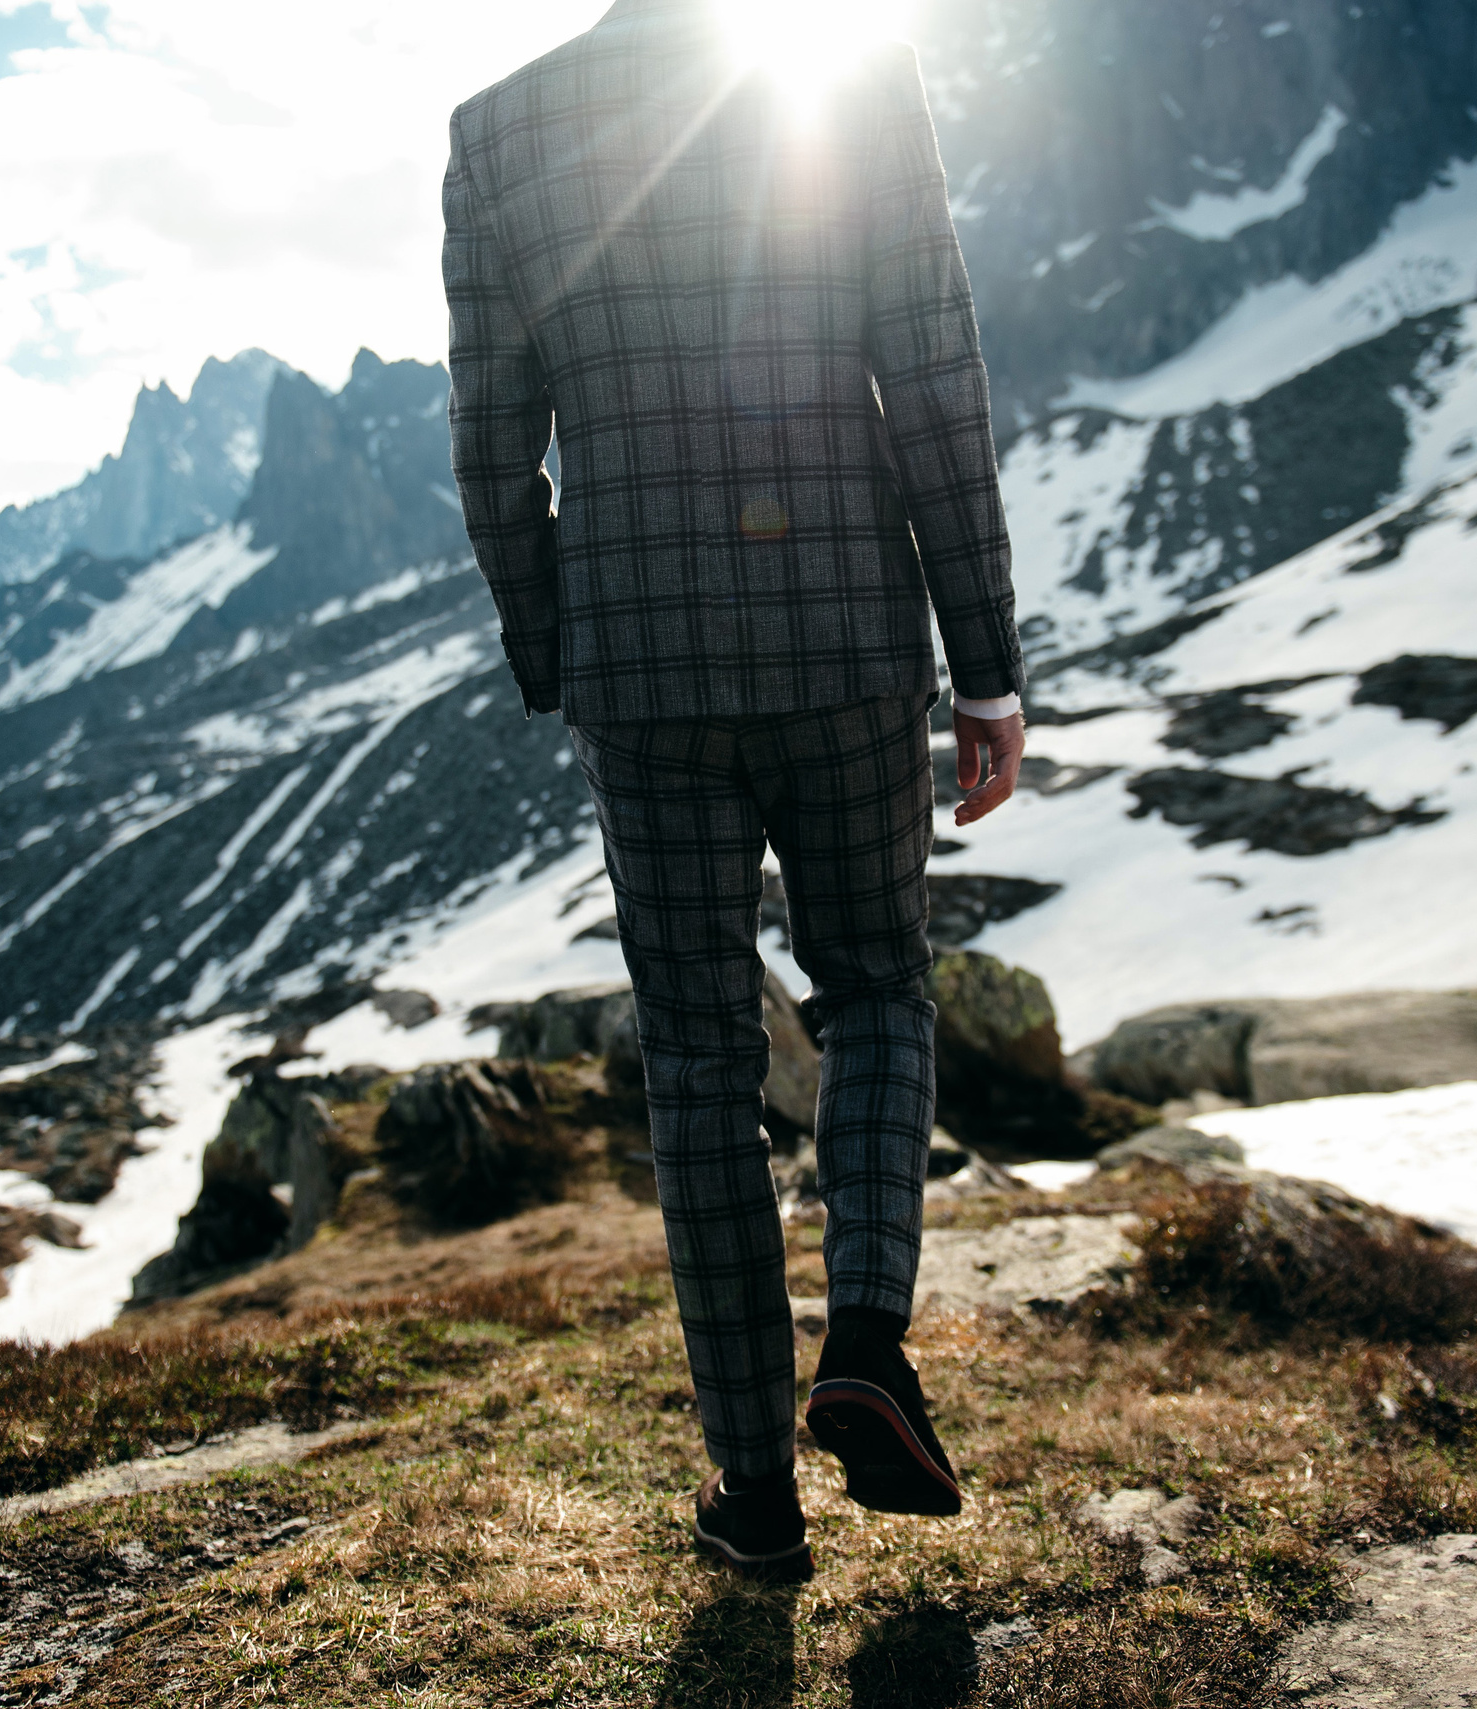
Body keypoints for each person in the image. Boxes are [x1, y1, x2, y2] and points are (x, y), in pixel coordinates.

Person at [442, 0, 1022, 1584]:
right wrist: (986, 661)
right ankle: (872, 1345)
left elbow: (495, 445)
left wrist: (564, 648)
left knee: (698, 1056)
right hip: (845, 643)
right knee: (879, 989)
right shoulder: (854, 82)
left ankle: (753, 1496)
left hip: (644, 674)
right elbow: (936, 385)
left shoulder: (499, 133)